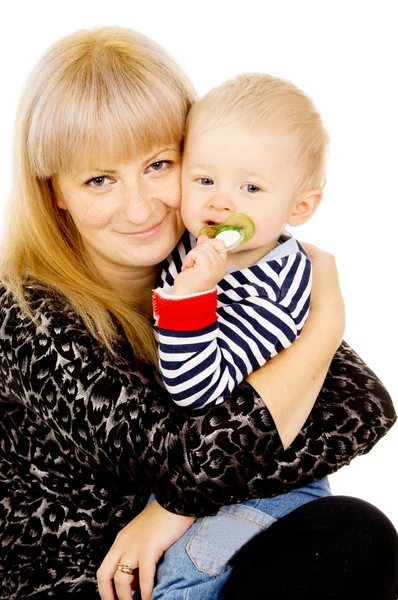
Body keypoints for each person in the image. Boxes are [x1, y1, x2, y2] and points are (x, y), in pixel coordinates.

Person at [0, 25, 396, 600]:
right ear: (56, 191)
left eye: (159, 165)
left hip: (203, 563)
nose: (139, 206)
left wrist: (176, 508)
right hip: (83, 582)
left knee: (353, 535)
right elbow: (184, 461)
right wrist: (324, 326)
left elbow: (361, 405)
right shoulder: (25, 316)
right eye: (99, 179)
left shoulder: (214, 260)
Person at [148, 73, 333, 598]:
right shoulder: (196, 248)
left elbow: (197, 390)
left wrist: (191, 297)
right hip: (197, 471)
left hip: (269, 485)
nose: (222, 202)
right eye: (204, 180)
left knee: (187, 568)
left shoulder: (276, 290)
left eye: (250, 188)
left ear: (299, 208)